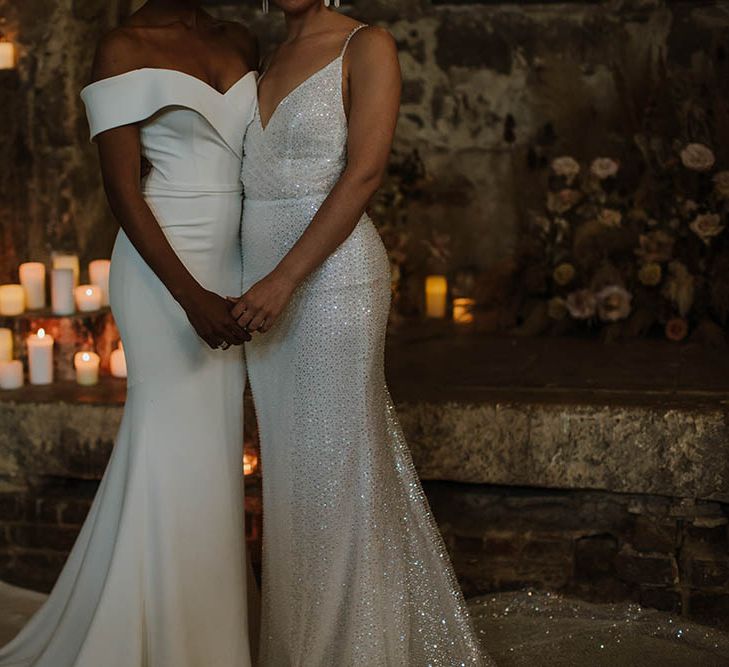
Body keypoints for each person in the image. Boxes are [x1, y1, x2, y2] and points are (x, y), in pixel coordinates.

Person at [232, 1, 492, 664]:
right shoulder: (263, 49)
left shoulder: (365, 45)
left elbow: (365, 171)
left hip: (329, 285)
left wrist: (284, 279)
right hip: (258, 283)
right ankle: (298, 640)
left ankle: (346, 648)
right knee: (290, 477)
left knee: (332, 466)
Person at [0, 2, 258, 665]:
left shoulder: (240, 38)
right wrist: (191, 296)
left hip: (233, 263)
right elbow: (121, 190)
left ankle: (206, 633)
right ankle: (157, 637)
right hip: (162, 268)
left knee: (212, 454)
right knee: (168, 444)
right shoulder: (122, 44)